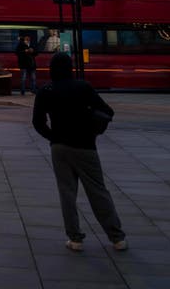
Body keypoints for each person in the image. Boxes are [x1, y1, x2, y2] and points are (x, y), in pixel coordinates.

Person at [32, 51, 126, 252]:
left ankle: (75, 239)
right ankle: (117, 237)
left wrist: (52, 137)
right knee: (97, 191)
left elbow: (37, 122)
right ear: (70, 68)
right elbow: (107, 111)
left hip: (59, 148)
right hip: (85, 146)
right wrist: (92, 128)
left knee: (67, 193)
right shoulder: (83, 87)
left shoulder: (45, 90)